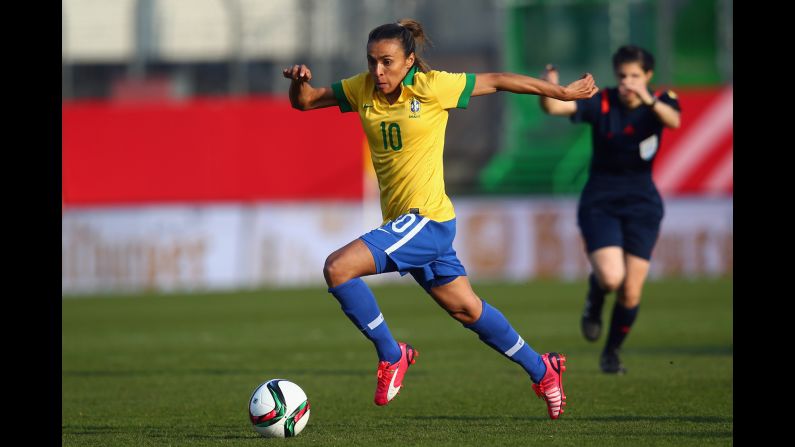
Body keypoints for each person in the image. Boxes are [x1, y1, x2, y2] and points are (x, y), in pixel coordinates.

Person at [283, 19, 598, 419]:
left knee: (338, 268)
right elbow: (305, 101)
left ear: (409, 60)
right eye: (372, 61)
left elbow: (499, 79)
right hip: (408, 225)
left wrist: (561, 92)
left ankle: (392, 354)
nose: (378, 70)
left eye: (387, 62)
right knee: (467, 310)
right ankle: (544, 370)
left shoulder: (432, 88)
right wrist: (299, 80)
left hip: (426, 220)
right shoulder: (361, 87)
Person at [538, 45, 681, 374]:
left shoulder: (661, 101)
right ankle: (595, 298)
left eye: (634, 75)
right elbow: (553, 108)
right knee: (612, 277)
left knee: (631, 291)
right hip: (600, 200)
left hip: (643, 203)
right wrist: (550, 86)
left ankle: (611, 353)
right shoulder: (602, 101)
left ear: (647, 76)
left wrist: (647, 99)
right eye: (622, 76)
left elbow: (673, 120)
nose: (627, 82)